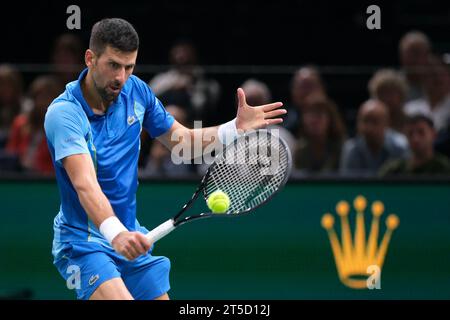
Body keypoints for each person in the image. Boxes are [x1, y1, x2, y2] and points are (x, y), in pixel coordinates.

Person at [44, 18, 286, 300]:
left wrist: (234, 128)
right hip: (84, 243)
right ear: (90, 58)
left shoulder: (137, 91)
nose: (121, 77)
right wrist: (114, 233)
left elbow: (183, 142)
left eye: (129, 66)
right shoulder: (64, 114)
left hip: (129, 235)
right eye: (113, 65)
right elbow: (85, 184)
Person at [148, 39, 221, 124]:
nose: (181, 57)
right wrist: (172, 87)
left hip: (195, 122)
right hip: (164, 119)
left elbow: (202, 107)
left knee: (175, 114)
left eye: (185, 52)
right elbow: (149, 98)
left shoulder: (203, 79)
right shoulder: (165, 77)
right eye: (178, 52)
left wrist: (190, 88)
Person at [6, 75, 62, 174]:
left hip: (47, 179)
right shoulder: (20, 123)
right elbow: (11, 153)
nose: (44, 102)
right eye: (40, 97)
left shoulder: (62, 128)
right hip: (19, 176)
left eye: (48, 97)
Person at [340, 99, 409, 176]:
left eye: (374, 121)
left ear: (387, 123)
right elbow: (349, 184)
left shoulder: (401, 146)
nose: (369, 128)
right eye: (365, 121)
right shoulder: (351, 149)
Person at [379, 114, 450, 176]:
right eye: (410, 133)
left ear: (433, 134)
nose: (415, 139)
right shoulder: (394, 170)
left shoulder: (444, 168)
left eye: (421, 132)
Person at [294, 96, 346, 174]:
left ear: (330, 119)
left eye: (319, 114)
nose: (314, 120)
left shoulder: (343, 148)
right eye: (310, 114)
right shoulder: (299, 150)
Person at [404, 55, 450, 133]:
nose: (438, 78)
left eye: (442, 74)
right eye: (433, 74)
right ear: (423, 78)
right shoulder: (409, 109)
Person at [283, 66, 327, 136]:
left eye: (309, 86)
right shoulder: (283, 117)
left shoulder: (331, 114)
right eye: (301, 86)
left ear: (321, 88)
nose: (305, 92)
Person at [368, 69, 409, 134]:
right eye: (382, 93)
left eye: (391, 93)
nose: (386, 98)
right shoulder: (370, 122)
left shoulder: (409, 121)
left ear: (401, 95)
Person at [398, 31, 432, 101]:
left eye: (419, 53)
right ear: (402, 55)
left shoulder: (440, 84)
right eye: (411, 54)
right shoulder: (392, 85)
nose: (415, 59)